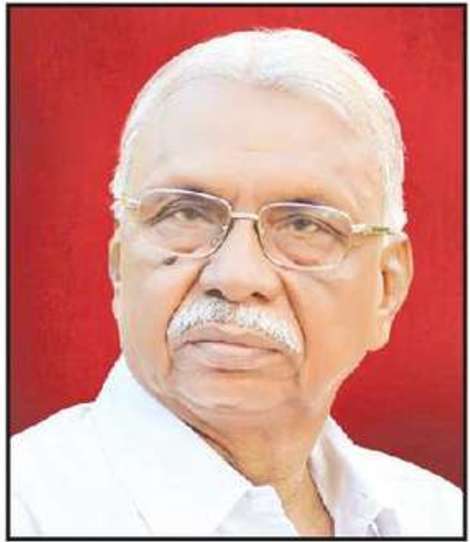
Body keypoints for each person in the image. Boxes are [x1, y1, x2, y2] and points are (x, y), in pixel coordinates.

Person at [11, 28, 462, 537]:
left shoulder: (438, 516)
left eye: (303, 225)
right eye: (186, 213)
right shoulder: (25, 511)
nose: (236, 276)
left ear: (386, 288)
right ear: (119, 265)